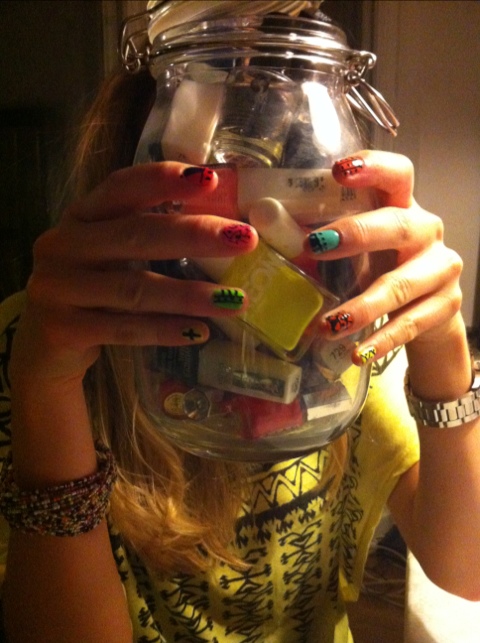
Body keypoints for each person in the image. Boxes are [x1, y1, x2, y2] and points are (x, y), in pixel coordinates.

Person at [1, 3, 480, 642]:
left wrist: (443, 344)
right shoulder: (40, 342)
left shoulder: (352, 328)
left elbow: (468, 569)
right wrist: (46, 390)